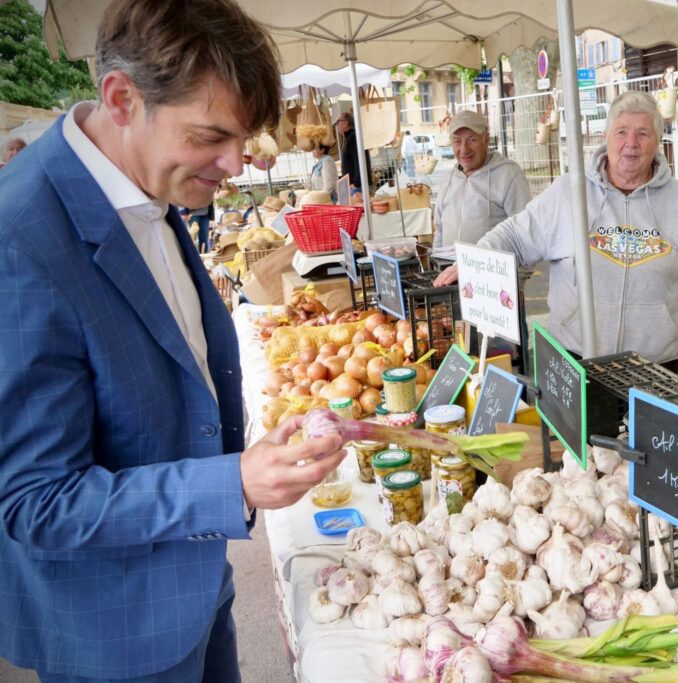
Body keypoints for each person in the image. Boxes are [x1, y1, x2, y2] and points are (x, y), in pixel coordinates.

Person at [0, 1, 347, 681]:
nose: (236, 164)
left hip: (196, 583)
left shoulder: (142, 181)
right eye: (211, 136)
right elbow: (36, 501)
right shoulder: (20, 236)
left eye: (243, 138)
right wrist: (231, 482)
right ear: (121, 99)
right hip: (117, 630)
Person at [435, 91, 678, 382]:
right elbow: (514, 235)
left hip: (656, 362)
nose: (631, 143)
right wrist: (474, 262)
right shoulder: (569, 192)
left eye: (643, 133)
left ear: (658, 141)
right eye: (622, 132)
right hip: (575, 355)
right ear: (606, 136)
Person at [431, 109, 531, 262]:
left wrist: (521, 275)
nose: (464, 150)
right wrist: (437, 263)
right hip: (450, 271)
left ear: (486, 139)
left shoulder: (508, 175)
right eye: (457, 141)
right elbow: (439, 228)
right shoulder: (449, 178)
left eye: (472, 140)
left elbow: (524, 231)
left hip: (493, 271)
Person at [337, 110, 370, 193]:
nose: (337, 125)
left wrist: (356, 183)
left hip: (357, 187)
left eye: (338, 122)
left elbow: (359, 160)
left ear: (346, 122)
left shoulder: (353, 137)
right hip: (354, 185)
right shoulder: (349, 138)